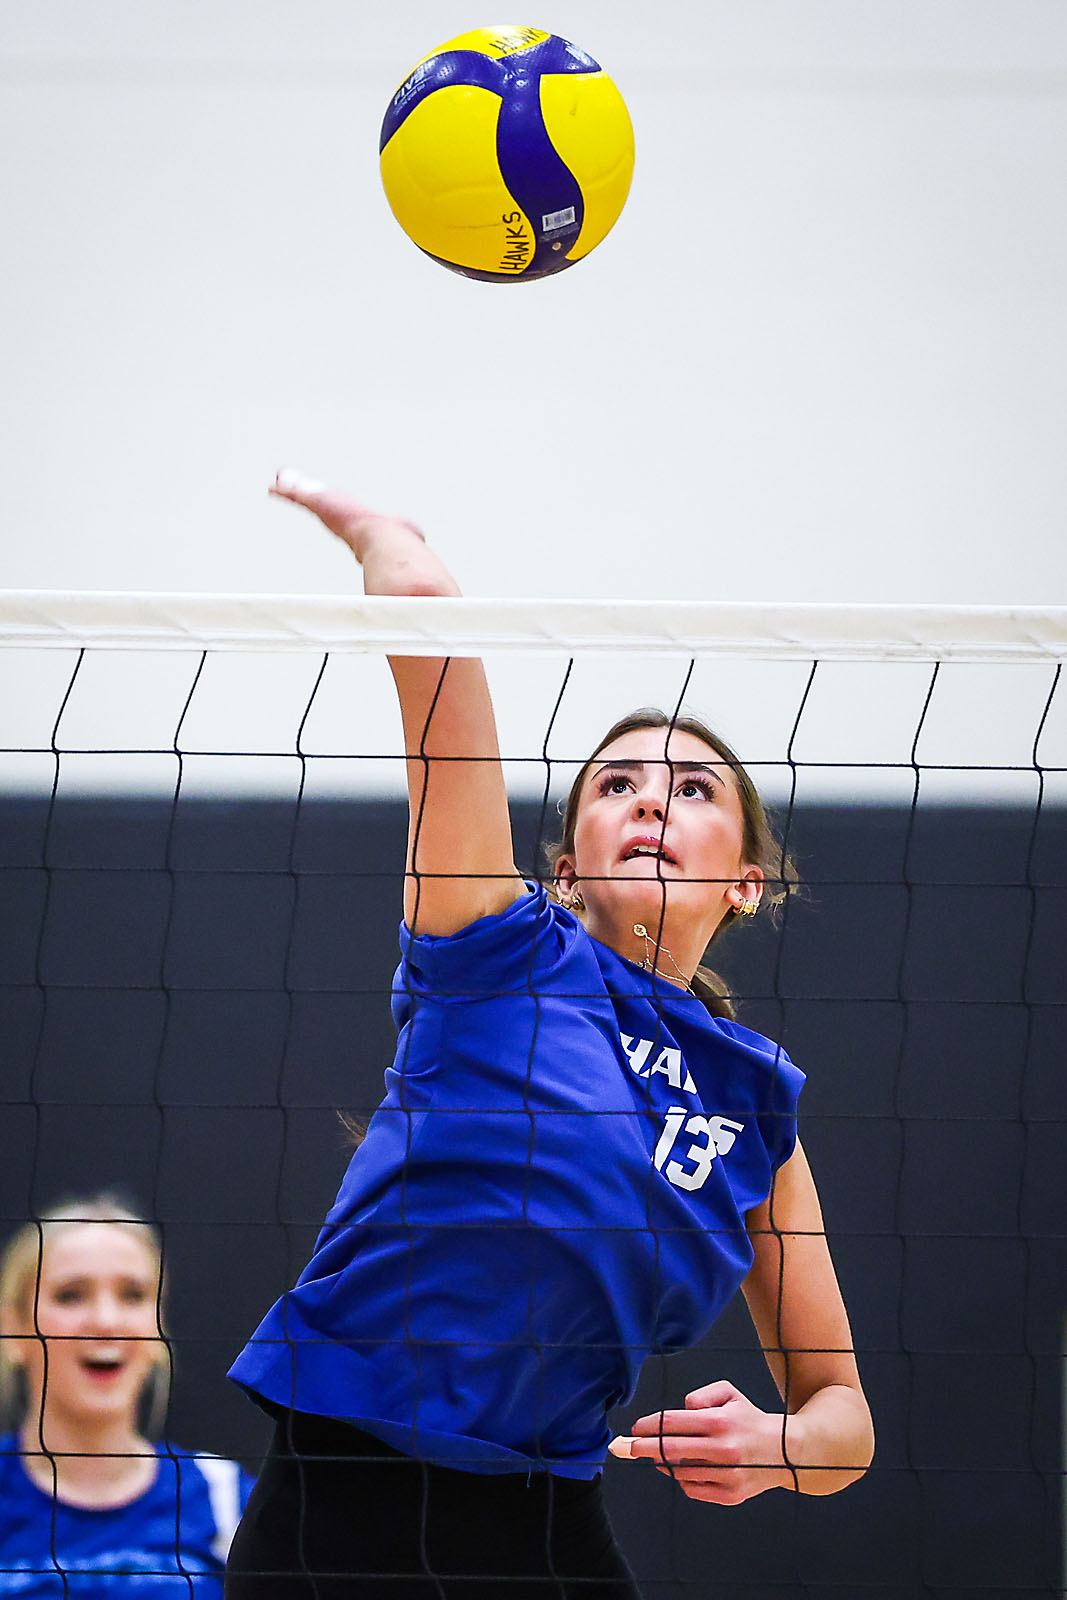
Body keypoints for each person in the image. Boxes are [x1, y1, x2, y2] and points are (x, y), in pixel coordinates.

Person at [226, 471, 875, 1598]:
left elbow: (843, 1421)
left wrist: (780, 1448)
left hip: (540, 1521)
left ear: (745, 883)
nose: (651, 802)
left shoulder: (754, 1103)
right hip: (342, 1494)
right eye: (617, 783)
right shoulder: (498, 945)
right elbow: (434, 661)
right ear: (565, 867)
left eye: (693, 789)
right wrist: (391, 548)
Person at [0, 1196, 252, 1597]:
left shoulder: (223, 1497)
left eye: (132, 1295)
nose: (107, 1321)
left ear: (158, 1328)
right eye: (71, 1295)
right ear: (13, 1330)